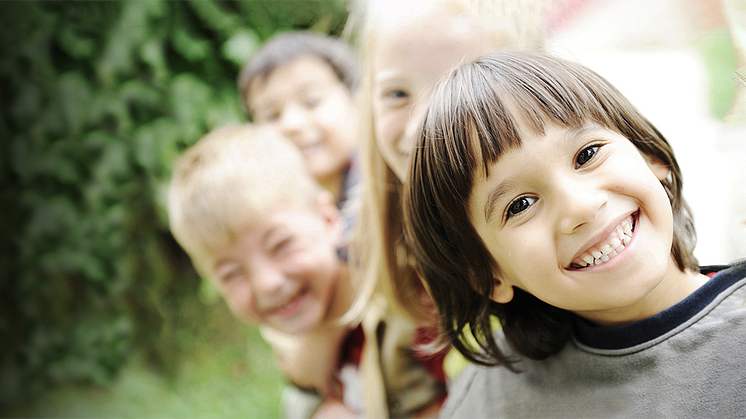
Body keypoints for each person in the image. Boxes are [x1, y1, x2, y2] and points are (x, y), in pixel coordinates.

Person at [403, 50, 746, 417]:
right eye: (520, 205)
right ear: (487, 274)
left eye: (587, 154)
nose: (579, 207)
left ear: (648, 153)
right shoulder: (490, 403)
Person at [167, 124, 360, 418]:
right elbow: (305, 375)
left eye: (281, 245)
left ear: (330, 219)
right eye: (232, 274)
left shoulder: (385, 273)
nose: (267, 283)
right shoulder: (286, 328)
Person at [238, 31, 360, 214]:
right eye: (272, 116)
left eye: (312, 101)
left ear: (357, 100)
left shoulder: (393, 186)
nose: (292, 124)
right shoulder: (268, 217)